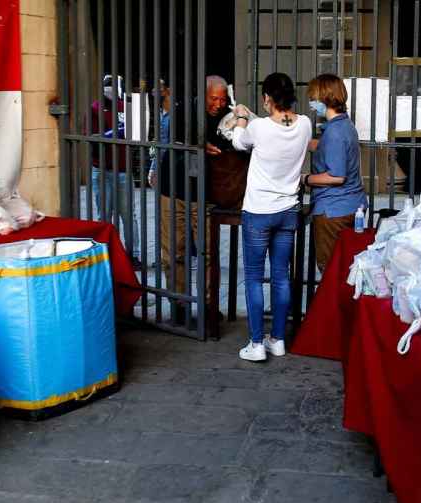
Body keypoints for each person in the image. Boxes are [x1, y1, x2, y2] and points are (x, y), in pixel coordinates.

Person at [231, 73, 311, 362]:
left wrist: (241, 116)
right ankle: (277, 339)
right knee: (280, 277)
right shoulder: (305, 124)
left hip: (259, 211)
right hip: (288, 211)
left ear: (267, 99)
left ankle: (256, 343)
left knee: (253, 278)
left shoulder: (258, 127)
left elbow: (239, 142)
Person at [149, 75, 229, 325]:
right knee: (173, 251)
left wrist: (239, 115)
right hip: (172, 191)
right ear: (203, 95)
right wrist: (198, 145)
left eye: (222, 99)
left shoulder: (227, 116)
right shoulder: (183, 110)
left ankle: (207, 306)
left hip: (203, 196)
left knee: (207, 253)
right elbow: (176, 135)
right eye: (213, 98)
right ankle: (179, 304)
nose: (218, 103)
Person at [304, 73, 366, 271]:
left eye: (313, 98)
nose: (311, 103)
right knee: (343, 268)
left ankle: (333, 303)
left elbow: (336, 176)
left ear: (324, 97)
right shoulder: (344, 125)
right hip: (348, 206)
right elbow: (323, 146)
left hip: (333, 210)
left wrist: (305, 179)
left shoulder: (335, 132)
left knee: (331, 270)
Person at [90, 74, 141, 266]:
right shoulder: (95, 108)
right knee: (104, 215)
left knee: (128, 215)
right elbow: (91, 138)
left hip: (122, 170)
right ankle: (108, 254)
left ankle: (132, 255)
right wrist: (111, 134)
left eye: (113, 86)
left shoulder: (125, 107)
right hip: (101, 169)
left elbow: (136, 134)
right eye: (107, 85)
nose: (110, 89)